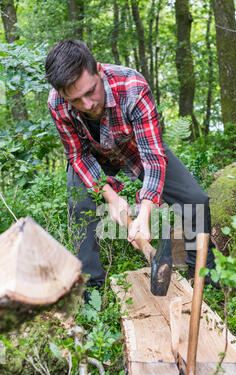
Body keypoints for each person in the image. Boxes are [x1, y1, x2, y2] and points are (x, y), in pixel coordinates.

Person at [45, 40, 218, 301]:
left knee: (195, 200)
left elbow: (153, 157)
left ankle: (202, 272)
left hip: (137, 149)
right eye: (76, 100)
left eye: (91, 91)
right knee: (81, 206)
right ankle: (92, 288)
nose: (88, 104)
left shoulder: (132, 87)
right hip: (93, 158)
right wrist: (112, 199)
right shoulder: (57, 103)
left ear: (99, 71)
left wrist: (144, 213)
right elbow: (77, 155)